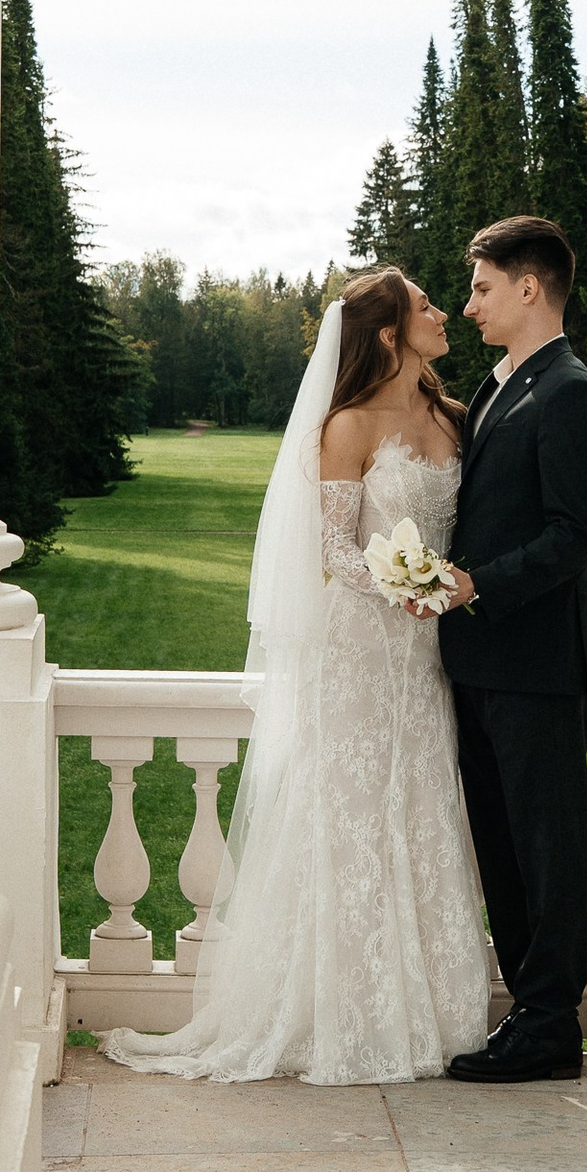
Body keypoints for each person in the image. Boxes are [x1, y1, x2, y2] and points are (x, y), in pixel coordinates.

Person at [102, 269, 493, 1084]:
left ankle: (433, 1009)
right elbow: (336, 551)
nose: (443, 311)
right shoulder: (345, 426)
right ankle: (339, 1011)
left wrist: (440, 589)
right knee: (346, 813)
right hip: (358, 649)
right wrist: (409, 584)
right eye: (425, 306)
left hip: (427, 658)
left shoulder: (455, 416)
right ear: (389, 334)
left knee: (420, 805)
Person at [432, 215, 587, 1085]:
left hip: (539, 667)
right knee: (500, 846)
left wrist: (479, 585)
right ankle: (527, 1016)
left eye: (481, 287)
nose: (470, 304)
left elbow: (575, 537)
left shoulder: (572, 392)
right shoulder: (503, 382)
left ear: (529, 288)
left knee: (546, 847)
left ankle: (551, 1024)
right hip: (478, 661)